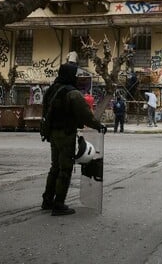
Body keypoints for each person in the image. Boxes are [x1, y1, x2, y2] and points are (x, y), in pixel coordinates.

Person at [41, 63, 107, 216]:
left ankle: (47, 200)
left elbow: (45, 112)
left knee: (55, 167)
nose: (76, 77)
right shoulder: (72, 93)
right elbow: (85, 114)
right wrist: (98, 126)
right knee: (65, 168)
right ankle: (59, 204)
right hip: (65, 134)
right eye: (75, 74)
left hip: (53, 133)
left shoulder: (52, 90)